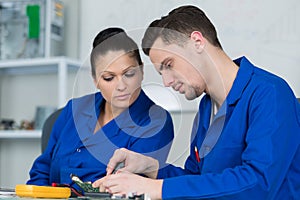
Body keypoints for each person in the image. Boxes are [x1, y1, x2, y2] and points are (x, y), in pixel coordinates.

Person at [92, 5, 300, 199]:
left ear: (197, 42)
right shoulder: (207, 107)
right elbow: (196, 178)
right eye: (161, 72)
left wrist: (155, 189)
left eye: (169, 64)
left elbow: (258, 184)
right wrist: (151, 168)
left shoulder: (269, 93)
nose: (166, 82)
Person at [26, 27, 174, 191]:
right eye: (109, 78)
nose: (121, 86)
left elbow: (129, 186)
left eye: (129, 74)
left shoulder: (156, 122)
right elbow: (42, 171)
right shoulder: (73, 109)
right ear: (95, 80)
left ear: (142, 71)